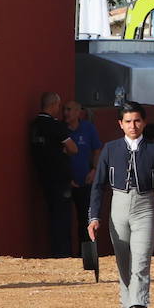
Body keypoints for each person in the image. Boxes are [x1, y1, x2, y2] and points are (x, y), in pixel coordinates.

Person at [88, 102, 154, 308]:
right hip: (118, 204)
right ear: (120, 124)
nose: (133, 125)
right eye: (128, 121)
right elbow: (98, 186)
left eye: (137, 121)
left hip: (146, 205)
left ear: (144, 123)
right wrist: (93, 217)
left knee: (141, 259)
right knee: (123, 260)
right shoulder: (110, 149)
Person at [30, 91, 77, 258]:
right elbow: (73, 148)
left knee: (52, 216)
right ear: (53, 105)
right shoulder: (56, 126)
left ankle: (56, 252)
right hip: (60, 178)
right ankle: (63, 254)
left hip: (43, 176)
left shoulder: (34, 125)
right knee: (62, 218)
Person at [63, 100, 102, 254]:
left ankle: (86, 256)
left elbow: (97, 149)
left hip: (85, 181)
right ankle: (65, 258)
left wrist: (94, 170)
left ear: (78, 112)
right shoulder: (61, 128)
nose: (66, 113)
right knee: (64, 221)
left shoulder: (88, 128)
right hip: (66, 183)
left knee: (86, 221)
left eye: (69, 109)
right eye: (64, 109)